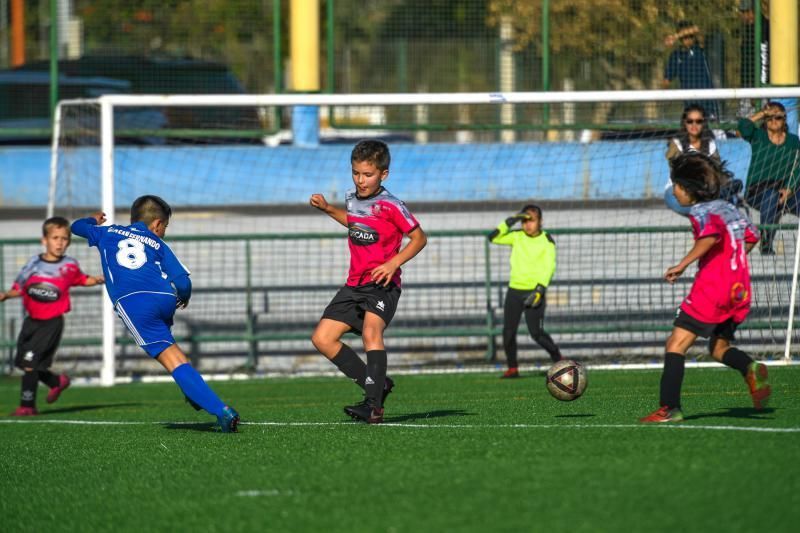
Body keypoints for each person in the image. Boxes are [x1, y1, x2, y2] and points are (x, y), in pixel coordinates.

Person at [70, 195, 240, 432]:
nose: (164, 232)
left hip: (133, 303)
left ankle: (220, 410)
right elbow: (182, 281)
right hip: (164, 298)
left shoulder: (107, 232)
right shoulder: (158, 244)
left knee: (172, 361)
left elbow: (76, 227)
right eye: (165, 227)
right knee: (176, 356)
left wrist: (93, 220)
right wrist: (184, 297)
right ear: (157, 224)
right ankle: (194, 393)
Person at [640, 153, 769, 423]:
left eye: (675, 185)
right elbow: (752, 236)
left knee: (676, 344)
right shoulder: (728, 207)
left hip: (713, 288)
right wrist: (731, 260)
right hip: (739, 288)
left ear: (688, 189)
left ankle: (669, 408)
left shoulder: (700, 211)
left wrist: (682, 264)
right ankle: (749, 366)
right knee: (718, 347)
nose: (674, 191)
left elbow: (709, 236)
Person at [309, 139, 427, 424]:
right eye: (356, 173)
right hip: (354, 284)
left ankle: (373, 406)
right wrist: (327, 209)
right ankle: (378, 385)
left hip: (382, 284)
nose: (361, 180)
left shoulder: (390, 205)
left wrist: (392, 263)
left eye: (368, 174)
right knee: (322, 339)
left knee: (371, 333)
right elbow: (354, 222)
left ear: (383, 174)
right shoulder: (352, 198)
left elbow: (419, 238)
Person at [0, 217, 104, 416]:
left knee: (30, 364)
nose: (60, 242)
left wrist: (98, 279)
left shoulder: (69, 265)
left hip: (52, 322)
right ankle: (57, 382)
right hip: (31, 321)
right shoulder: (33, 264)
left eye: (64, 239)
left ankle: (27, 406)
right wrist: (6, 295)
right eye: (55, 238)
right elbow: (19, 287)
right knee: (25, 362)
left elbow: (82, 279)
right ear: (44, 240)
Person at [488, 204, 562, 379]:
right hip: (514, 291)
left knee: (537, 334)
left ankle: (559, 360)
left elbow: (549, 266)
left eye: (532, 220)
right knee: (508, 333)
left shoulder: (547, 240)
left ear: (540, 221)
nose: (527, 225)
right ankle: (512, 368)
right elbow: (493, 237)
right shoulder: (517, 236)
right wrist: (510, 221)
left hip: (535, 292)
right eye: (524, 221)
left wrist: (540, 290)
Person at [738, 101, 800, 255]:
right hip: (758, 190)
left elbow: (798, 167)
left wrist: (790, 188)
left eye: (777, 117)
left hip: (785, 190)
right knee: (771, 196)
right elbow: (743, 126)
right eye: (769, 118)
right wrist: (762, 113)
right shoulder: (758, 136)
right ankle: (766, 242)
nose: (773, 121)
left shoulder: (793, 141)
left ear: (784, 119)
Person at [664, 105, 744, 216]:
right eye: (690, 121)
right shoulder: (677, 143)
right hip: (678, 191)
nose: (694, 125)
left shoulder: (710, 143)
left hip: (704, 190)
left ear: (704, 123)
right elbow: (679, 174)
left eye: (698, 121)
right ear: (684, 123)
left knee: (722, 200)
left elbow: (717, 170)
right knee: (703, 208)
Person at [663, 21, 719, 121]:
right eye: (685, 37)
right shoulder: (676, 55)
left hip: (707, 103)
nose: (688, 39)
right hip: (690, 106)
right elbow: (666, 81)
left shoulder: (699, 48)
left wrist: (675, 36)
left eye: (690, 36)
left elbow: (697, 28)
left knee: (713, 131)